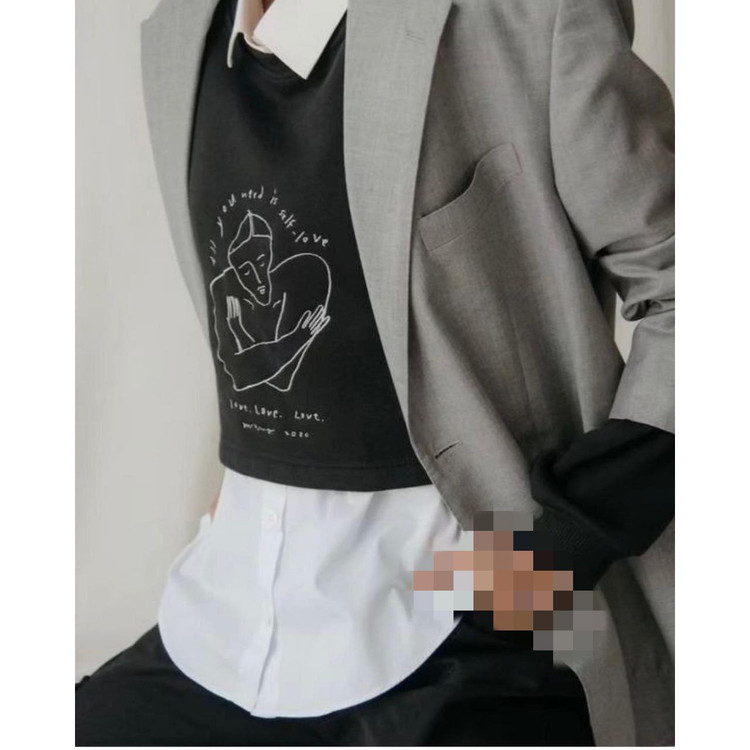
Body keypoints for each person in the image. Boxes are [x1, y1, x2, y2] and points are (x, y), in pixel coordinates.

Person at [76, 0, 675, 745]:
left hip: (464, 618)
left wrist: (563, 547)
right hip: (221, 614)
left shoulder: (521, 18)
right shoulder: (178, 36)